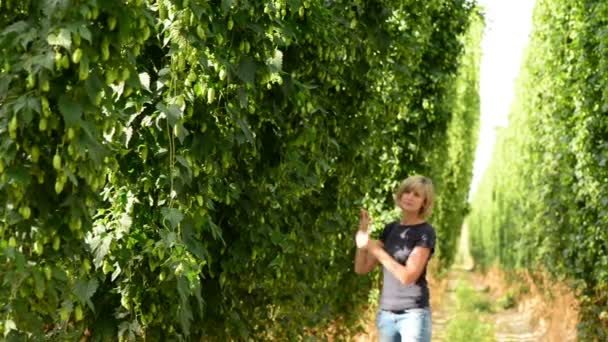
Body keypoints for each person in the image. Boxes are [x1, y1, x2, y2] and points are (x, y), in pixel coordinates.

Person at [354, 175, 436, 342]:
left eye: (416, 195)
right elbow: (361, 268)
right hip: (386, 314)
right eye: (407, 192)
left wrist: (373, 247)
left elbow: (407, 276)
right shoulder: (390, 229)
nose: (410, 197)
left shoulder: (425, 232)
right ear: (400, 195)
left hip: (413, 315)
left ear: (424, 203)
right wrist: (363, 237)